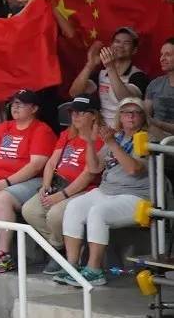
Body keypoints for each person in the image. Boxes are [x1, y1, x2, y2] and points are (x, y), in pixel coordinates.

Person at [56, 97, 151, 287]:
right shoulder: (117, 137)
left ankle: (94, 270)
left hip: (136, 195)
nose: (131, 116)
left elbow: (133, 169)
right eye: (126, 112)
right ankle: (72, 265)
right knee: (74, 206)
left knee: (98, 212)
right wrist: (91, 143)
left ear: (143, 117)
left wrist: (112, 144)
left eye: (136, 112)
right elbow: (95, 168)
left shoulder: (148, 138)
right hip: (107, 191)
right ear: (120, 116)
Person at [0, 89, 56, 273]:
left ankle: (4, 255)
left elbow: (36, 166)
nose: (15, 107)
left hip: (30, 181)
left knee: (2, 198)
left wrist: (5, 183)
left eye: (21, 103)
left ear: (34, 108)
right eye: (13, 103)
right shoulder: (3, 127)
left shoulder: (41, 130)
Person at [21, 96, 101, 270]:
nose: (75, 116)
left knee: (55, 214)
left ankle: (58, 250)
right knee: (30, 210)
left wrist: (62, 195)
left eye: (81, 112)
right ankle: (61, 248)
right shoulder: (67, 134)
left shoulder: (100, 138)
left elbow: (89, 175)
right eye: (73, 112)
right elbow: (51, 162)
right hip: (59, 183)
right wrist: (46, 185)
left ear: (94, 115)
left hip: (83, 189)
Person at [69, 28, 150, 127]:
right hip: (101, 128)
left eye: (126, 43)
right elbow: (74, 93)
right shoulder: (102, 74)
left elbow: (126, 101)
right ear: (111, 46)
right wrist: (90, 64)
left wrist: (110, 67)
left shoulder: (138, 75)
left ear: (134, 50)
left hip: (125, 129)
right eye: (117, 42)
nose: (120, 45)